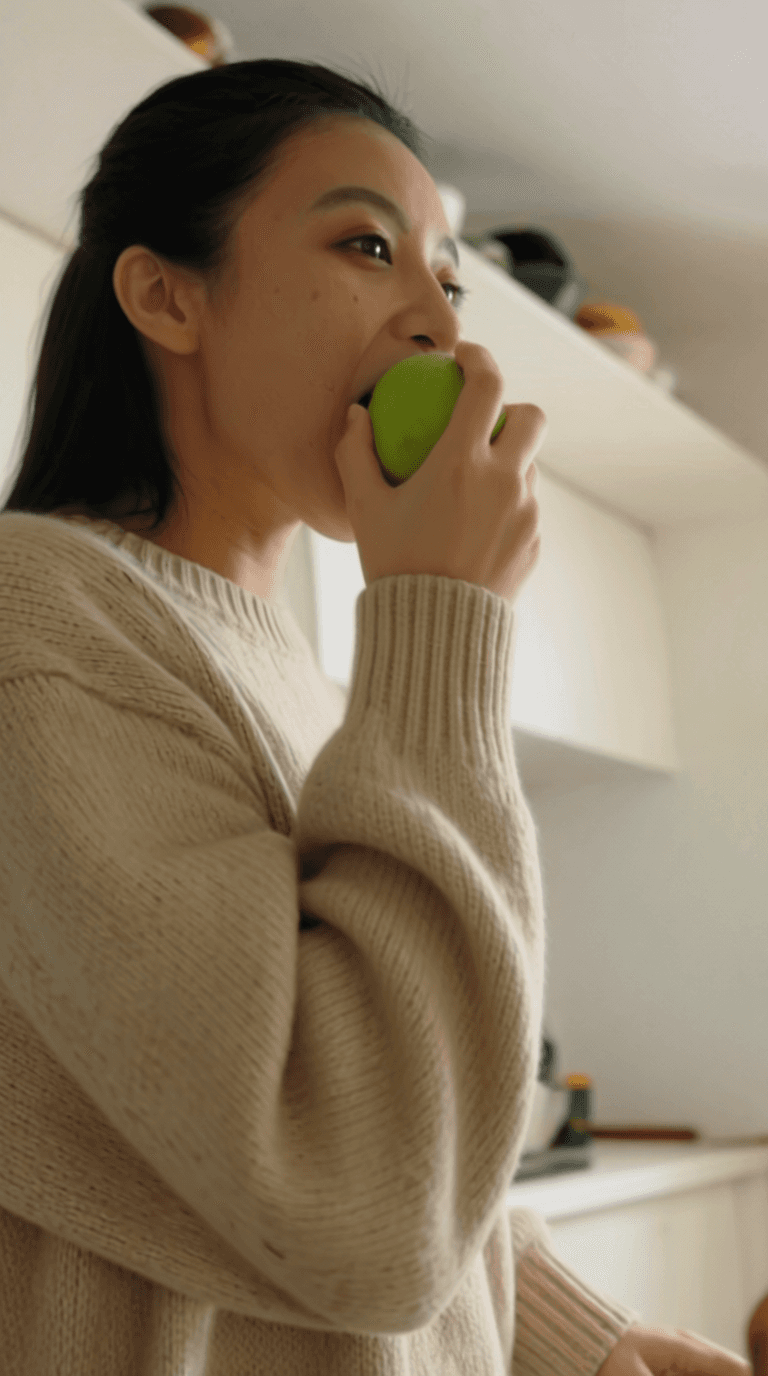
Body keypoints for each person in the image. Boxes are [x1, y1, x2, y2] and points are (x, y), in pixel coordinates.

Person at [0, 57, 751, 1376]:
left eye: (451, 283)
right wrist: (446, 616)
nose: (442, 330)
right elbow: (358, 1194)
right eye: (368, 246)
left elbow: (416, 1120)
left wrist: (595, 1343)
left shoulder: (294, 671)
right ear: (165, 293)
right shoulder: (39, 629)